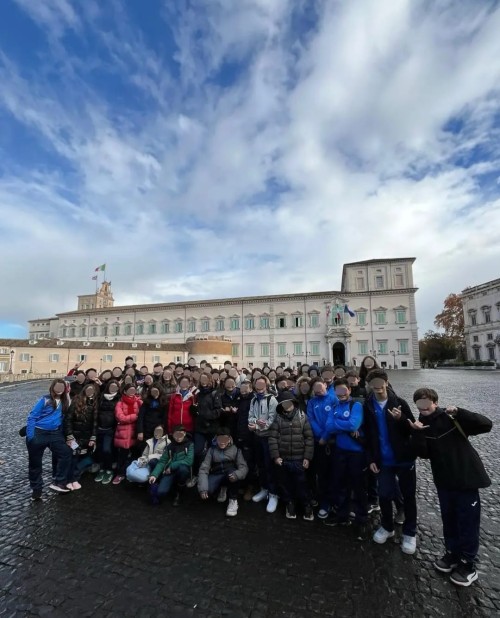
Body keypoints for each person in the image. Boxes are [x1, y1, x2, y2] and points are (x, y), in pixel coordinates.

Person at [410, 388, 492, 586]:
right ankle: (452, 552)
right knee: (449, 518)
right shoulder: (422, 424)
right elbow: (423, 453)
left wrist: (460, 412)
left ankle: (468, 563)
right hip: (444, 480)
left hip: (466, 478)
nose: (423, 407)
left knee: (467, 520)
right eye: (419, 403)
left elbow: (486, 424)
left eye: (426, 402)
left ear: (435, 402)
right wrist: (418, 434)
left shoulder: (451, 417)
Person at [363, 369, 418, 554]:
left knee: (408, 496)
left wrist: (401, 419)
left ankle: (410, 532)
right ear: (369, 385)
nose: (377, 386)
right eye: (373, 382)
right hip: (382, 459)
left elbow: (411, 429)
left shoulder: (400, 403)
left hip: (403, 458)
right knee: (385, 495)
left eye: (380, 381)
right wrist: (371, 458)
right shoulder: (368, 405)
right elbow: (369, 434)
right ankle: (387, 526)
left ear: (386, 382)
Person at [325, 378, 368, 539]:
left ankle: (361, 520)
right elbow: (329, 427)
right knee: (340, 484)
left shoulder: (356, 405)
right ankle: (342, 516)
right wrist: (344, 425)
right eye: (338, 392)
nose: (341, 394)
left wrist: (339, 424)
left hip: (356, 453)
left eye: (344, 391)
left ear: (349, 390)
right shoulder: (335, 406)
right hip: (340, 451)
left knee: (358, 488)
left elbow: (353, 425)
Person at [268, 392, 314, 521]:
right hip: (283, 459)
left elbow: (309, 437)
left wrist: (307, 457)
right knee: (285, 483)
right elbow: (272, 438)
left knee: (302, 484)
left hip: (299, 458)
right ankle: (289, 503)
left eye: (289, 402)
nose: (286, 405)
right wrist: (276, 456)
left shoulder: (302, 417)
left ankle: (306, 505)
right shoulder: (278, 418)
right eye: (283, 403)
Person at [26, 379, 72, 498]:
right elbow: (32, 417)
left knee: (66, 453)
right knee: (35, 463)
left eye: (62, 387)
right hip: (39, 433)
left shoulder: (65, 401)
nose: (60, 389)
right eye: (58, 387)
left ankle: (59, 481)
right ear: (53, 387)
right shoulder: (45, 399)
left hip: (54, 434)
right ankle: (36, 488)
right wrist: (31, 436)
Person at [197, 427, 248, 517]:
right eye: (220, 439)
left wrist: (237, 474)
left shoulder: (235, 449)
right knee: (207, 491)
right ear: (216, 439)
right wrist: (203, 488)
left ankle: (233, 500)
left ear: (229, 439)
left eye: (225, 439)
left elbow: (243, 467)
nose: (222, 442)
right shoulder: (211, 450)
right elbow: (204, 468)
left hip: (229, 473)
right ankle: (221, 488)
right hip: (216, 473)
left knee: (234, 476)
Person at [306, 378, 337, 518]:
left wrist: (326, 435)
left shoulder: (334, 399)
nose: (318, 390)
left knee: (336, 474)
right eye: (315, 388)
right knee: (322, 475)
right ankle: (325, 502)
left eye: (320, 386)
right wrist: (320, 435)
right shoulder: (312, 402)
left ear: (325, 385)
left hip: (334, 442)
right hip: (319, 444)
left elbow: (334, 418)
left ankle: (337, 502)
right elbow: (311, 419)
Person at [248, 376, 279, 513]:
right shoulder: (254, 399)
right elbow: (251, 416)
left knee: (269, 465)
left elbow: (272, 419)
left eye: (262, 386)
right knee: (260, 464)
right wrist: (255, 423)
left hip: (268, 438)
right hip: (257, 437)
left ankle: (273, 494)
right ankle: (264, 489)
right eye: (257, 386)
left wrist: (259, 426)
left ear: (266, 386)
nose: (259, 388)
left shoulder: (271, 399)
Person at [64, 383, 99, 490]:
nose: (90, 392)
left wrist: (93, 437)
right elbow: (68, 419)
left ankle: (74, 478)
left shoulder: (95, 403)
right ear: (84, 391)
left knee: (85, 457)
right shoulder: (76, 401)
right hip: (74, 437)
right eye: (88, 390)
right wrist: (69, 436)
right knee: (74, 456)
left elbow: (95, 422)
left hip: (87, 437)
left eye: (92, 391)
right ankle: (70, 480)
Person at [149, 424, 194, 506]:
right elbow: (162, 461)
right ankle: (171, 487)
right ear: (173, 435)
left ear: (184, 433)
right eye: (176, 434)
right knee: (160, 493)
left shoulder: (190, 444)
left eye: (180, 434)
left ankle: (179, 493)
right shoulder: (170, 446)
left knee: (183, 469)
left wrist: (172, 466)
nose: (178, 437)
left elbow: (189, 461)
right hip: (169, 472)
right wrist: (154, 475)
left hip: (180, 470)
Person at [191, 373, 222, 486]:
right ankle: (196, 474)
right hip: (199, 427)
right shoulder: (198, 393)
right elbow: (196, 408)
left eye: (206, 379)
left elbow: (218, 410)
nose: (203, 381)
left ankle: (210, 474)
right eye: (202, 378)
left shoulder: (215, 393)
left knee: (212, 452)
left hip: (211, 427)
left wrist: (205, 415)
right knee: (197, 451)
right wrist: (193, 411)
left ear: (210, 380)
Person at [113, 384, 141, 485]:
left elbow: (142, 415)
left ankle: (130, 473)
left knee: (134, 454)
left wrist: (130, 418)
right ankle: (120, 474)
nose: (132, 391)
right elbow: (120, 418)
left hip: (135, 431)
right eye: (130, 389)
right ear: (124, 391)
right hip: (123, 433)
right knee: (122, 455)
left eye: (134, 389)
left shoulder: (138, 402)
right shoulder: (120, 403)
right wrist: (135, 416)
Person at [95, 379, 120, 484]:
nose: (113, 388)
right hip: (99, 428)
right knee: (100, 450)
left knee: (107, 450)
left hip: (110, 429)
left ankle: (109, 470)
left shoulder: (119, 398)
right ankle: (102, 469)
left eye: (115, 387)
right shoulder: (101, 397)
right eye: (111, 386)